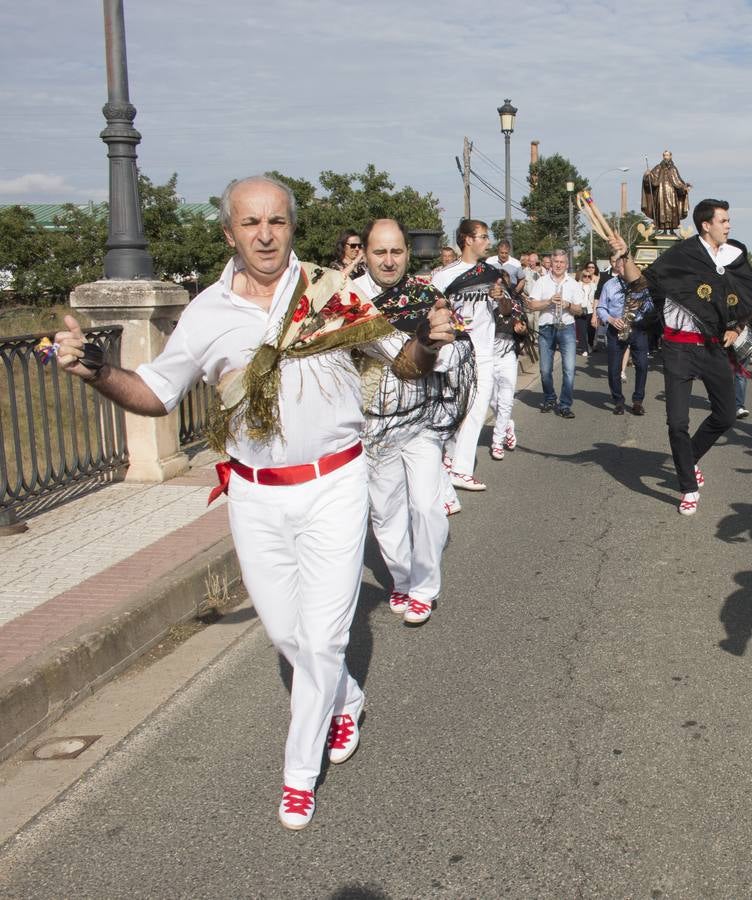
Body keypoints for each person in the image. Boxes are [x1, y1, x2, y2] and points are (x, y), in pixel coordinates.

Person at [51, 175, 456, 830]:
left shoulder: (330, 293)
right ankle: (345, 700)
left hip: (334, 482)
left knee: (323, 636)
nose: (265, 235)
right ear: (229, 232)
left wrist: (432, 342)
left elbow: (400, 360)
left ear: (292, 226)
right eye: (251, 223)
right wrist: (97, 370)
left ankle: (298, 773)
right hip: (253, 494)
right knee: (288, 634)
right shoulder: (206, 313)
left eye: (277, 222)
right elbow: (156, 392)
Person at [353, 218, 475, 625]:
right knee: (386, 514)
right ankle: (403, 580)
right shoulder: (349, 302)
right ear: (365, 254)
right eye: (380, 252)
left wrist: (435, 353)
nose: (389, 261)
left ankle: (424, 588)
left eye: (397, 251)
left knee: (426, 507)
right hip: (374, 426)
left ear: (407, 252)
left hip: (422, 420)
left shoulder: (427, 294)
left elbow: (460, 346)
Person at [608, 198, 752, 515]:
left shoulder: (734, 257)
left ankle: (688, 459)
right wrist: (625, 255)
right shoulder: (682, 255)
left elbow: (745, 299)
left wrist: (737, 327)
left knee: (726, 415)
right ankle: (688, 487)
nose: (728, 225)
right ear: (707, 225)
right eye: (723, 220)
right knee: (676, 423)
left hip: (713, 347)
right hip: (678, 348)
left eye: (728, 220)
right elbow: (640, 282)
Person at [433, 219, 502, 492]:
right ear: (467, 240)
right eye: (483, 237)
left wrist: (501, 297)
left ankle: (461, 469)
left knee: (478, 408)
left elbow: (507, 309)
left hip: (484, 351)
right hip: (455, 352)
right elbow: (433, 309)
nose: (487, 241)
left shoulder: (491, 272)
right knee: (454, 408)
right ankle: (448, 457)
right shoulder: (445, 275)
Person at [527, 248, 583, 417]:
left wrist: (568, 305)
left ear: (566, 265)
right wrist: (549, 302)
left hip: (566, 327)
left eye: (562, 262)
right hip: (547, 327)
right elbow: (532, 305)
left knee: (569, 369)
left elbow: (580, 311)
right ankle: (550, 398)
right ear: (551, 263)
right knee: (545, 370)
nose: (558, 265)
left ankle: (565, 404)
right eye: (556, 262)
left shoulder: (573, 284)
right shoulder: (542, 282)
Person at [596, 254, 653, 415]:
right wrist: (611, 319)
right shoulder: (609, 285)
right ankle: (618, 401)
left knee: (642, 365)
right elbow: (600, 308)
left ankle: (637, 401)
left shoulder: (641, 285)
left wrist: (641, 306)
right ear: (616, 267)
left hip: (637, 328)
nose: (623, 269)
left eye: (626, 267)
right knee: (614, 367)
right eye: (620, 267)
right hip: (616, 329)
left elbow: (651, 306)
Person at [487, 273, 528, 459]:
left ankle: (497, 441)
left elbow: (522, 327)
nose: (497, 288)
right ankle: (507, 425)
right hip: (487, 358)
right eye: (493, 285)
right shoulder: (483, 305)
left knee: (505, 400)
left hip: (507, 357)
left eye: (500, 285)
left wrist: (521, 329)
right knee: (490, 399)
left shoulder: (514, 305)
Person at [641, 150, 691, 231]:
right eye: (664, 155)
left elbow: (678, 181)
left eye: (667, 155)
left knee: (672, 210)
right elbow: (651, 179)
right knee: (661, 210)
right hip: (660, 193)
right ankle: (663, 229)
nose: (665, 157)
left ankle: (671, 230)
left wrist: (684, 187)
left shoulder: (673, 169)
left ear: (670, 156)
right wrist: (647, 176)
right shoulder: (658, 168)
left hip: (672, 193)